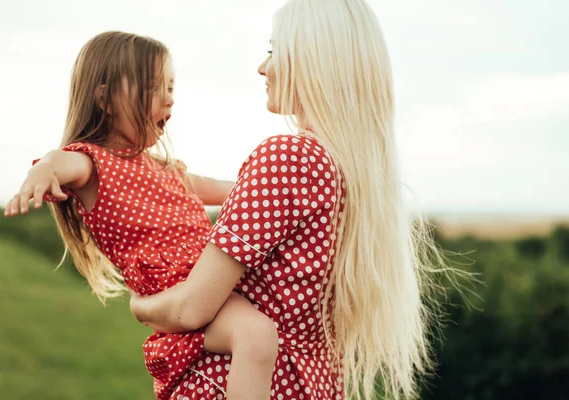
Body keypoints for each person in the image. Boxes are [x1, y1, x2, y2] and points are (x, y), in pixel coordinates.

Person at [129, 0, 452, 399]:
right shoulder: (354, 170)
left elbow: (191, 308)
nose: (262, 67)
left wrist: (142, 304)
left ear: (313, 58)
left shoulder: (289, 157)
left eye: (273, 50)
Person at [3, 31, 278, 400]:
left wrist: (269, 182)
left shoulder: (162, 169)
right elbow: (59, 160)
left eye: (170, 86)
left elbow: (225, 188)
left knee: (268, 329)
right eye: (154, 87)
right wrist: (41, 172)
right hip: (183, 295)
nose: (169, 96)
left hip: (210, 284)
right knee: (256, 336)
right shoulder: (93, 164)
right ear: (106, 100)